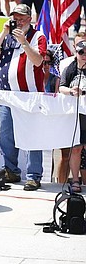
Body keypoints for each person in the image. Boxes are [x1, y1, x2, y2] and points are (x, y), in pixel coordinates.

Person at [0, 3, 46, 191]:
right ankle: (11, 170)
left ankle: (34, 175)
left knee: (32, 136)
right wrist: (3, 32)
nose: (18, 22)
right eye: (15, 18)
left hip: (29, 95)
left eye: (21, 19)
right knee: (6, 136)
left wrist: (25, 43)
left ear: (29, 19)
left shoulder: (38, 36)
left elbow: (38, 61)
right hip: (6, 94)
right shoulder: (7, 36)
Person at [58, 41, 86, 192]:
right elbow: (61, 87)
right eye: (81, 52)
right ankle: (75, 180)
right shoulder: (71, 68)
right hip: (75, 115)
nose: (84, 56)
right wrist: (71, 91)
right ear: (76, 53)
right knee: (76, 149)